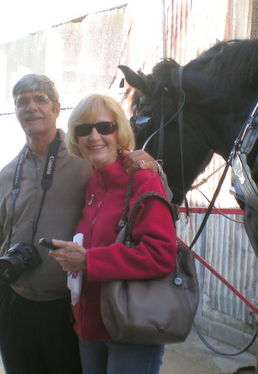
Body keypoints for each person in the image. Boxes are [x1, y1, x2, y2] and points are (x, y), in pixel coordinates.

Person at [0, 74, 161, 374]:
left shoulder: (88, 158)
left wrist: (155, 168)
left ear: (56, 109)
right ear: (15, 111)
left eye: (41, 99)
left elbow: (141, 189)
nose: (32, 107)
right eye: (22, 101)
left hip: (65, 308)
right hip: (14, 304)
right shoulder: (6, 174)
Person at [48, 93, 177, 374]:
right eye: (83, 129)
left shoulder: (143, 178)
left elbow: (161, 255)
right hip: (90, 327)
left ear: (119, 132)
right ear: (76, 139)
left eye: (104, 127)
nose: (94, 136)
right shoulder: (93, 183)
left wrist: (88, 261)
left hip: (129, 329)